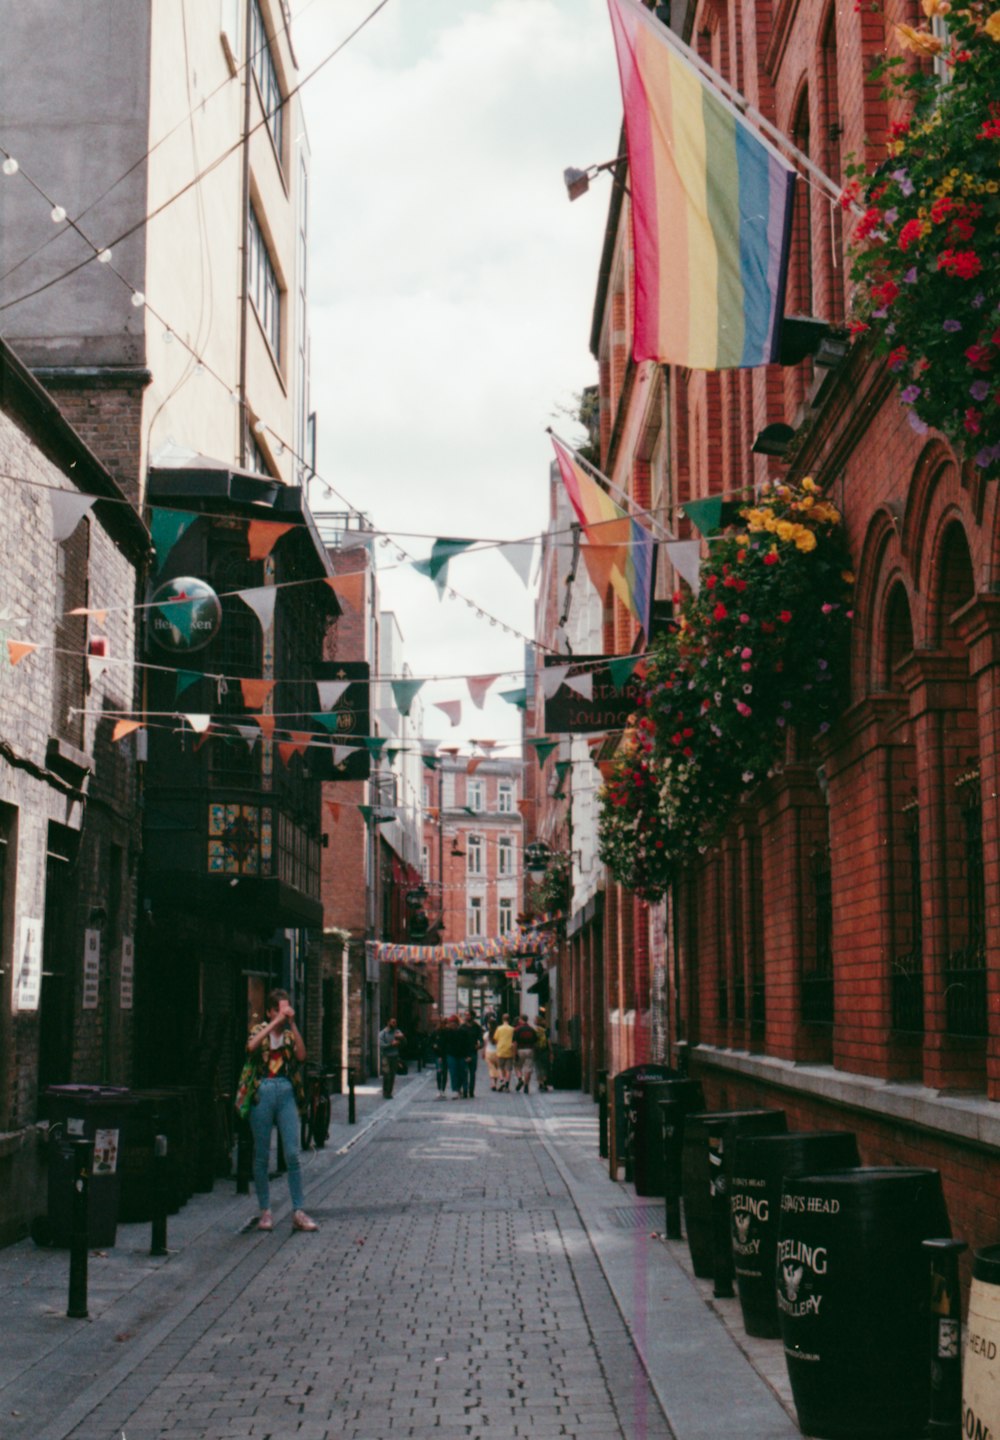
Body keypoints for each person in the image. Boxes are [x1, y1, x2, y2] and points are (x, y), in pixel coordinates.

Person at [244, 989, 317, 1232]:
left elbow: (302, 1055)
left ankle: (298, 1210)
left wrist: (293, 1025)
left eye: (286, 1009)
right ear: (270, 1011)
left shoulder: (288, 1035)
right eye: (279, 1010)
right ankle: (265, 1210)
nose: (283, 1015)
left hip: (285, 1091)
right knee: (262, 1155)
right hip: (262, 1090)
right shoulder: (259, 1031)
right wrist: (273, 1023)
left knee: (293, 1154)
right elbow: (251, 1047)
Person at [379, 1017, 405, 1098]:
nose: (394, 1024)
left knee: (392, 1075)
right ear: (388, 1023)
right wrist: (391, 1044)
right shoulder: (383, 1033)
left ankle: (389, 1093)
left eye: (395, 1022)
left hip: (394, 1056)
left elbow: (404, 1044)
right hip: (385, 1056)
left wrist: (402, 1038)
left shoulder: (397, 1032)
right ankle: (385, 1092)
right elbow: (381, 1045)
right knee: (387, 1075)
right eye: (392, 1022)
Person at [513, 1014, 538, 1093]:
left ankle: (520, 1079)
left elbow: (514, 1043)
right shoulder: (532, 1029)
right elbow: (535, 1041)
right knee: (528, 1068)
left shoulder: (517, 1029)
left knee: (517, 1067)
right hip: (530, 1049)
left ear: (521, 1020)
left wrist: (515, 1053)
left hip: (520, 1049)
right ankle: (526, 1085)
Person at [461, 1012, 484, 1098]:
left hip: (473, 1052)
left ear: (472, 1016)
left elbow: (481, 1039)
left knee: (472, 1073)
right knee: (464, 1072)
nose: (466, 1017)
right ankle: (465, 1090)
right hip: (464, 1052)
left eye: (468, 1015)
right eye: (466, 1015)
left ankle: (471, 1091)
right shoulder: (462, 1027)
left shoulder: (476, 1027)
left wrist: (480, 1045)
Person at [492, 1014, 516, 1092]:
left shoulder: (499, 1028)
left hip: (500, 1049)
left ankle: (502, 1079)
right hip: (509, 1049)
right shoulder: (512, 1029)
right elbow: (514, 1040)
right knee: (508, 1069)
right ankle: (507, 1084)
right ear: (509, 1020)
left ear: (502, 1019)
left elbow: (495, 1039)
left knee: (499, 1067)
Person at [534, 1009, 552, 1092]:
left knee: (537, 1067)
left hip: (536, 1051)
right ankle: (545, 1081)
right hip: (544, 1050)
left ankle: (540, 1083)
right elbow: (548, 1041)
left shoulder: (534, 1030)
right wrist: (551, 1051)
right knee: (544, 1067)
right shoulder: (545, 1030)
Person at [484, 1019, 501, 1091]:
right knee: (498, 1068)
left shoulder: (486, 1034)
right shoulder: (499, 1033)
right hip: (498, 1052)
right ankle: (497, 1083)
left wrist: (483, 1053)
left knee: (491, 1068)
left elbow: (485, 1044)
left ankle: (493, 1083)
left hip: (489, 1052)